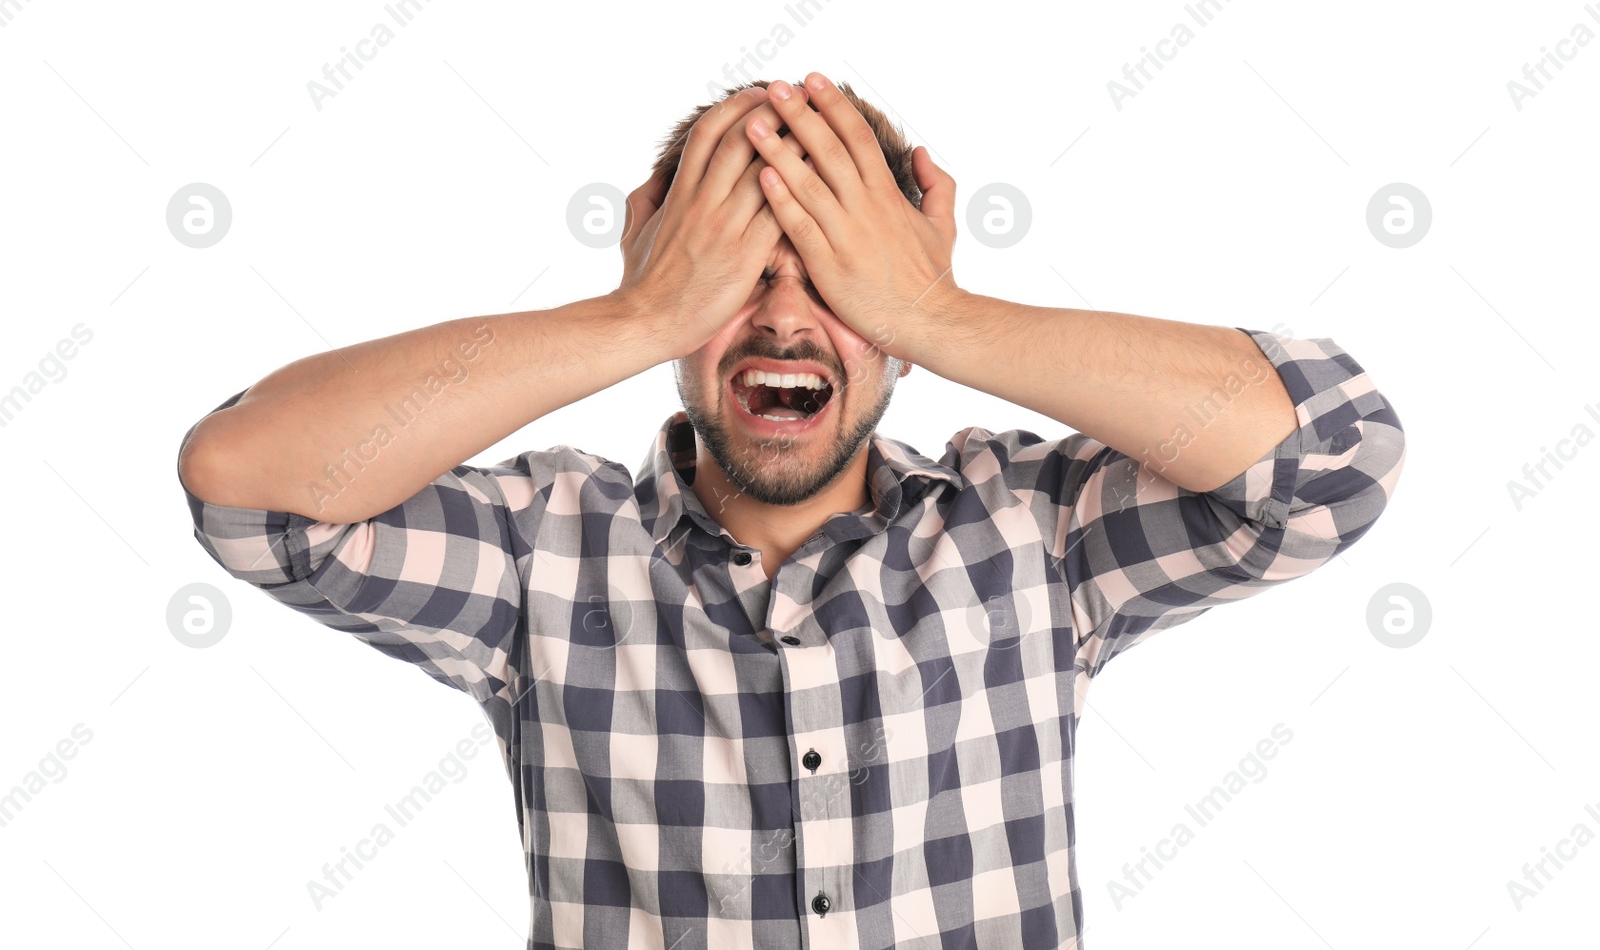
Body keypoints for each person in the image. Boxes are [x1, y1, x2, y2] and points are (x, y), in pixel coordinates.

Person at [177, 72, 1406, 949]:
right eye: (733, 272)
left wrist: (934, 310)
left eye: (834, 276)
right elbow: (251, 486)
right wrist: (637, 313)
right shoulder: (540, 553)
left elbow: (1332, 457)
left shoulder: (1040, 532)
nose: (780, 317)